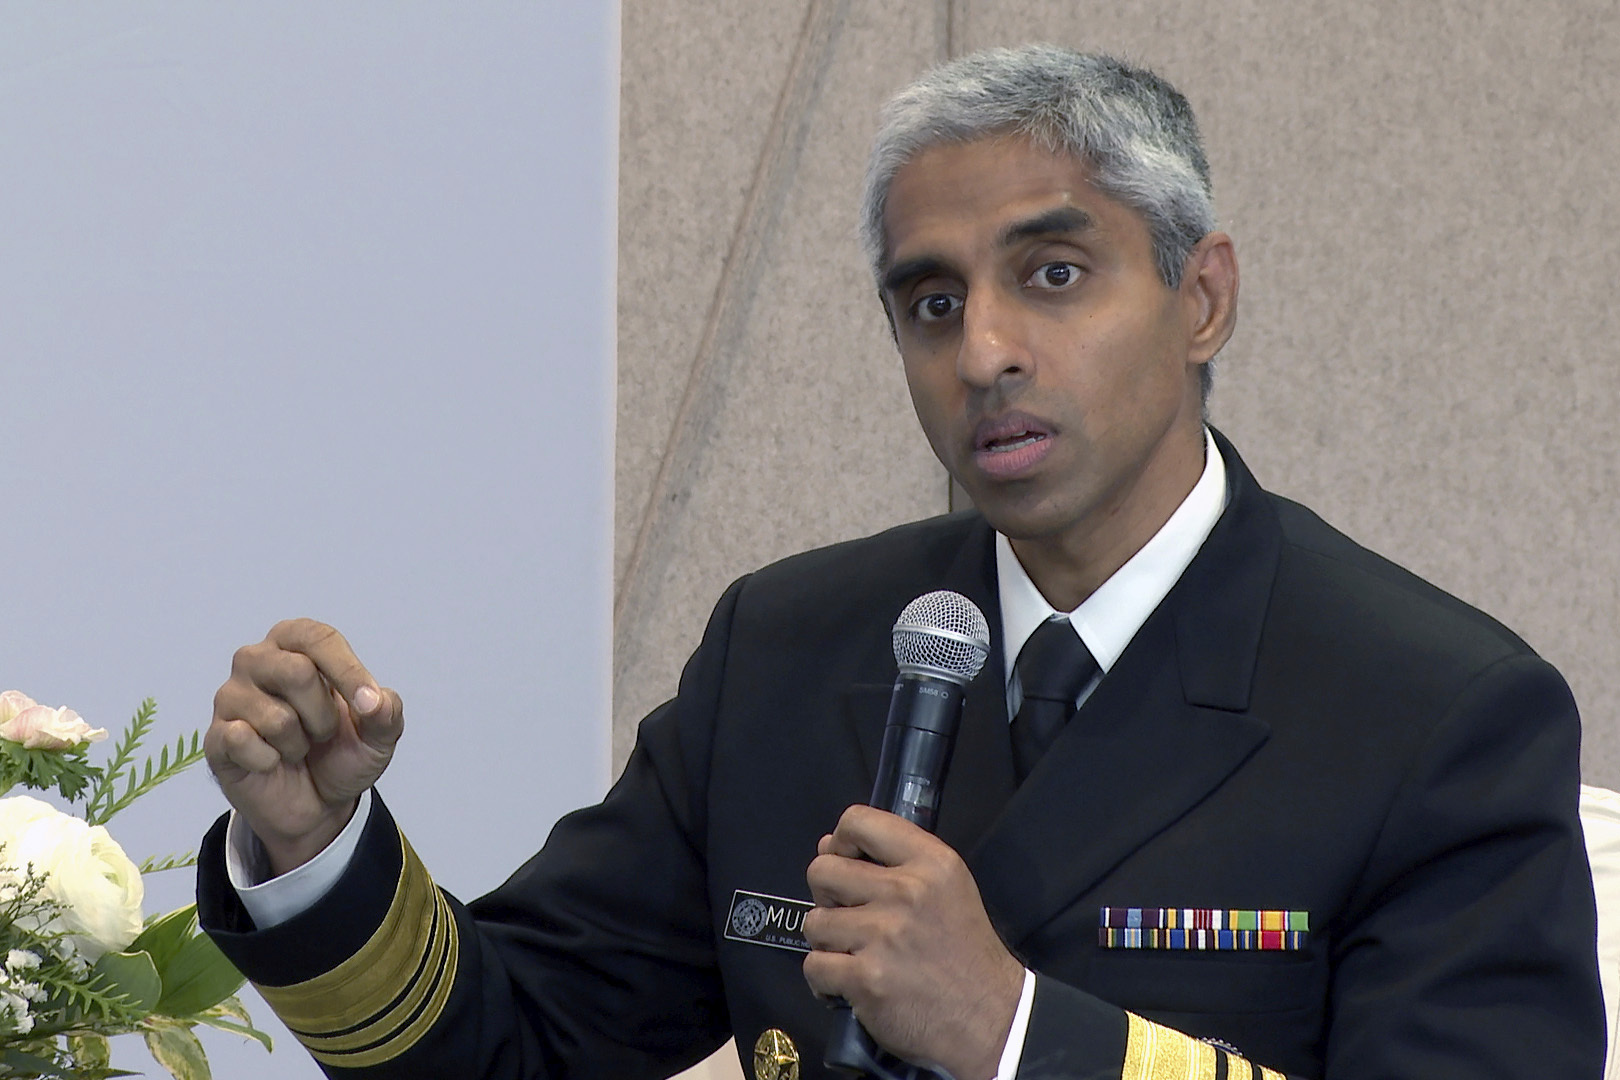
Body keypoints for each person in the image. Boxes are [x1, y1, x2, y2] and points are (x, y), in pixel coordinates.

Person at [197, 45, 1604, 1080]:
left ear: (1202, 297)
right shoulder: (793, 648)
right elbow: (521, 1048)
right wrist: (318, 852)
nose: (983, 350)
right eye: (930, 301)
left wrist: (1015, 1034)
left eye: (1051, 274)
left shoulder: (1432, 711)